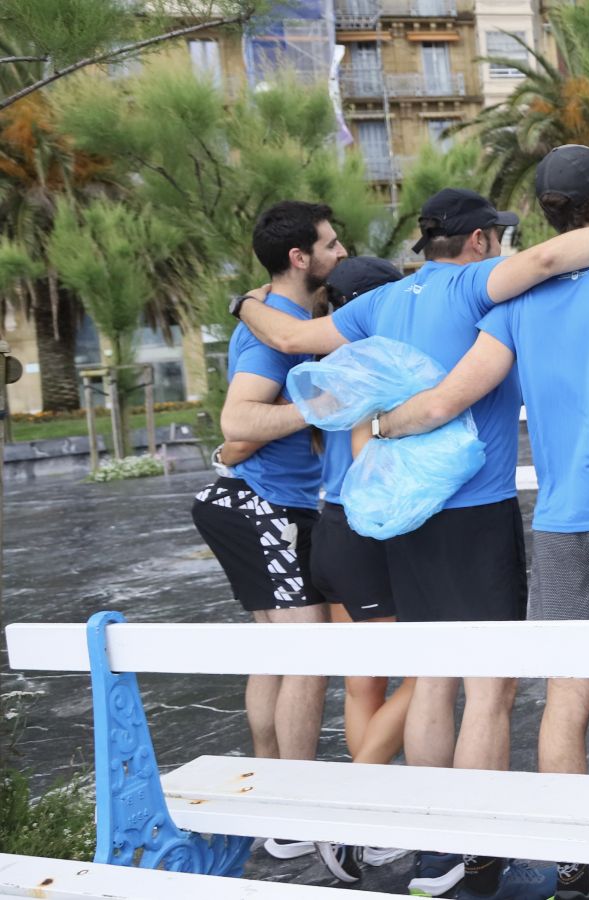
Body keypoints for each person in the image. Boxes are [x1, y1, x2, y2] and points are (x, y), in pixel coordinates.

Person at [232, 176, 589, 900]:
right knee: (491, 689)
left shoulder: (385, 299)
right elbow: (549, 264)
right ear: (480, 241)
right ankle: (486, 854)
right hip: (482, 509)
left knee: (433, 678)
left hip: (408, 519)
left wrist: (246, 305)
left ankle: (445, 844)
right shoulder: (485, 288)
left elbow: (292, 338)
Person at [369, 144, 589, 900]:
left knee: (565, 696)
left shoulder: (515, 304)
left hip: (560, 523)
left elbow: (445, 400)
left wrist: (374, 430)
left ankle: (572, 864)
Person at [190, 201, 346, 864]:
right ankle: (291, 814)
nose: (339, 253)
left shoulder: (282, 315)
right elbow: (241, 422)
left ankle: (270, 796)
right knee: (307, 655)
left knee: (279, 652)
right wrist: (318, 404)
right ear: (298, 258)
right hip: (264, 506)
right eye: (331, 244)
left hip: (263, 502)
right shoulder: (269, 329)